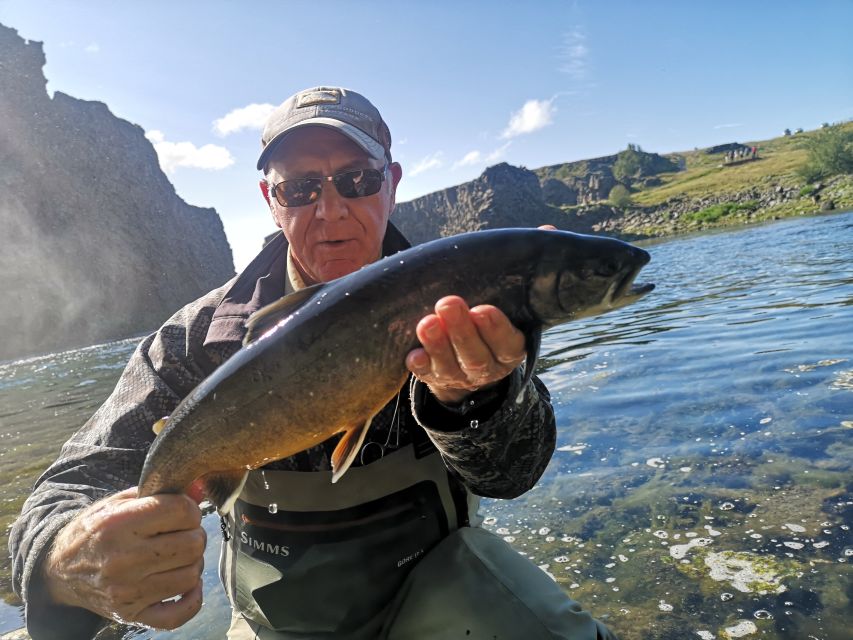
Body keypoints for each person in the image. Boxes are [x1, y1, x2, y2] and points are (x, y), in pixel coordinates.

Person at [10, 86, 618, 640]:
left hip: (447, 590)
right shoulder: (193, 342)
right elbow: (70, 485)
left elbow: (514, 476)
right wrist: (66, 555)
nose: (330, 211)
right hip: (278, 625)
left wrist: (476, 401)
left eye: (356, 179)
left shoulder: (463, 297)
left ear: (392, 181)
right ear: (271, 201)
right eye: (299, 189)